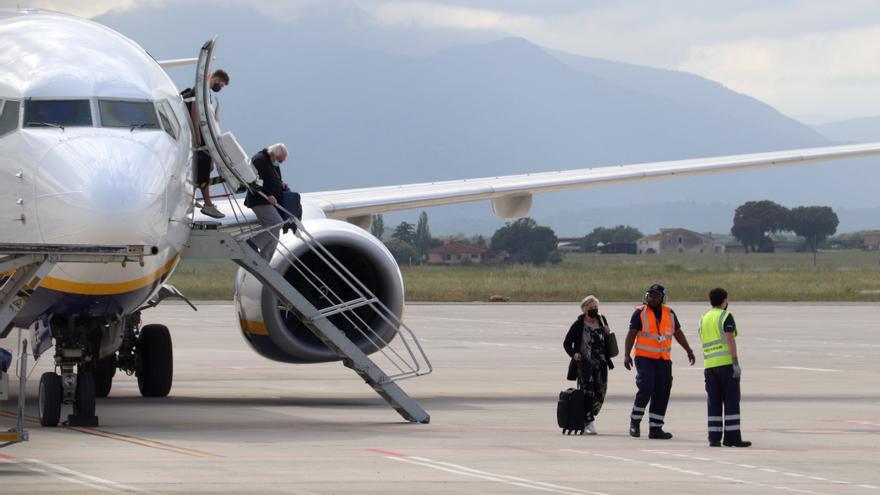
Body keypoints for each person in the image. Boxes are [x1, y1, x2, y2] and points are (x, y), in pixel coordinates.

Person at [623, 283, 696, 439]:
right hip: (644, 358)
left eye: (656, 295)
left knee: (662, 392)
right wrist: (626, 354)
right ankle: (635, 422)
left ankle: (656, 428)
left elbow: (678, 333)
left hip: (663, 359)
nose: (652, 298)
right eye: (650, 295)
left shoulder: (670, 313)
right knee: (646, 388)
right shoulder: (639, 313)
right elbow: (631, 334)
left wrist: (688, 350)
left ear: (662, 298)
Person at [700, 288, 751, 447]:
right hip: (725, 365)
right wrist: (735, 362)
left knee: (713, 401)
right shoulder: (725, 316)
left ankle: (714, 438)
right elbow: (730, 339)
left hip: (709, 366)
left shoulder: (704, 318)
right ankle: (732, 438)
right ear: (724, 300)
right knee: (731, 401)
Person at [181, 69, 230, 219]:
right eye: (220, 84)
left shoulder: (204, 92)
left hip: (202, 139)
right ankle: (208, 205)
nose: (219, 88)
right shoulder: (201, 90)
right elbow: (195, 111)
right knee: (203, 170)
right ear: (216, 78)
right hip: (200, 139)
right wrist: (197, 136)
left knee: (203, 169)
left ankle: (192, 199)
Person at [563, 295, 614, 435]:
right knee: (588, 391)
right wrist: (574, 354)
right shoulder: (579, 324)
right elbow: (566, 343)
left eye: (595, 308)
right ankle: (588, 420)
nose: (594, 310)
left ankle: (588, 415)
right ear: (584, 309)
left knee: (600, 393)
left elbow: (607, 342)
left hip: (601, 364)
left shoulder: (602, 320)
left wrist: (607, 333)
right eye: (590, 308)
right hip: (584, 364)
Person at [244, 143, 288, 260]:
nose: (280, 163)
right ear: (273, 154)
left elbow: (274, 178)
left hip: (270, 202)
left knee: (275, 232)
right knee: (278, 223)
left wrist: (281, 184)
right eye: (280, 160)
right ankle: (252, 243)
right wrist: (268, 195)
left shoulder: (273, 162)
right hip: (260, 200)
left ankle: (265, 260)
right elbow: (253, 181)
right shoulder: (259, 160)